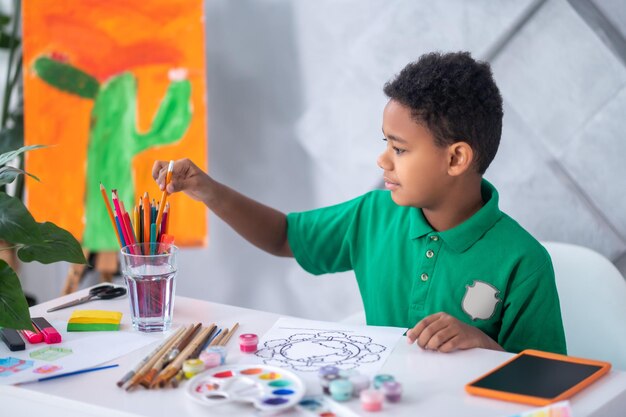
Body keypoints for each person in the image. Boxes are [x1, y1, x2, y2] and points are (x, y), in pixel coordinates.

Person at [153, 51, 566, 354]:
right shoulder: (374, 214)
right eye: (384, 142)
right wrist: (206, 189)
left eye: (400, 149)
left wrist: (482, 345)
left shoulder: (523, 261)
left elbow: (548, 382)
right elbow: (284, 237)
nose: (383, 159)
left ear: (456, 158)